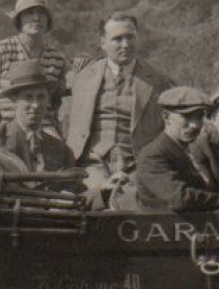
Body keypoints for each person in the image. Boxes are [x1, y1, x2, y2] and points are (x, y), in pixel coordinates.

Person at [65, 12, 176, 177]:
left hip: (138, 165)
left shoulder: (159, 81)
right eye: (117, 39)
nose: (125, 44)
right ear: (103, 42)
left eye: (130, 37)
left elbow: (171, 127)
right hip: (92, 163)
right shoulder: (83, 78)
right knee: (93, 195)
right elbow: (68, 122)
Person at [133, 87, 219, 213]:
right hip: (161, 229)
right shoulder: (152, 155)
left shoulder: (190, 150)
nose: (194, 125)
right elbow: (180, 198)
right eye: (187, 117)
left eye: (199, 117)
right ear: (166, 117)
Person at [0, 0, 69, 113]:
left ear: (47, 20)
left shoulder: (57, 59)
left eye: (41, 14)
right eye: (30, 13)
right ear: (19, 19)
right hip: (5, 124)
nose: (36, 18)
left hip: (44, 125)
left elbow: (70, 89)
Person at [0, 60, 75, 172]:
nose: (35, 104)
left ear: (48, 99)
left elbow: (74, 185)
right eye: (28, 97)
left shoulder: (61, 149)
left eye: (41, 97)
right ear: (14, 99)